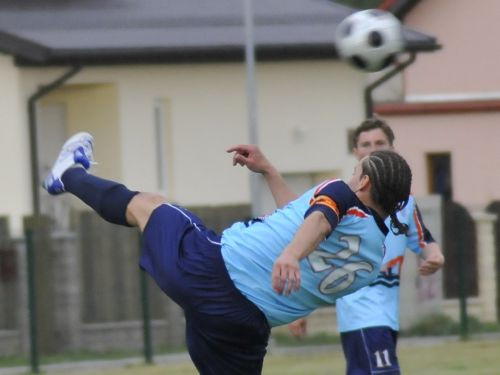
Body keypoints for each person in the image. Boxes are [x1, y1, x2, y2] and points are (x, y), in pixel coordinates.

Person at [43, 131, 413, 375]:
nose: (350, 176)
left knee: (149, 206)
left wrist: (289, 256)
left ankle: (67, 174)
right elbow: (302, 219)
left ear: (363, 181)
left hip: (212, 269)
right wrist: (269, 171)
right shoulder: (372, 258)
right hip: (244, 328)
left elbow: (316, 224)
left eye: (355, 172)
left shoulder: (342, 194)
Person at [231, 117, 444, 375]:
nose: (373, 148)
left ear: (393, 149)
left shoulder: (403, 205)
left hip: (387, 316)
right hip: (362, 316)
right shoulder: (343, 198)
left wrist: (435, 256)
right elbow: (303, 223)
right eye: (366, 144)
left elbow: (425, 242)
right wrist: (270, 171)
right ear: (356, 153)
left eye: (380, 143)